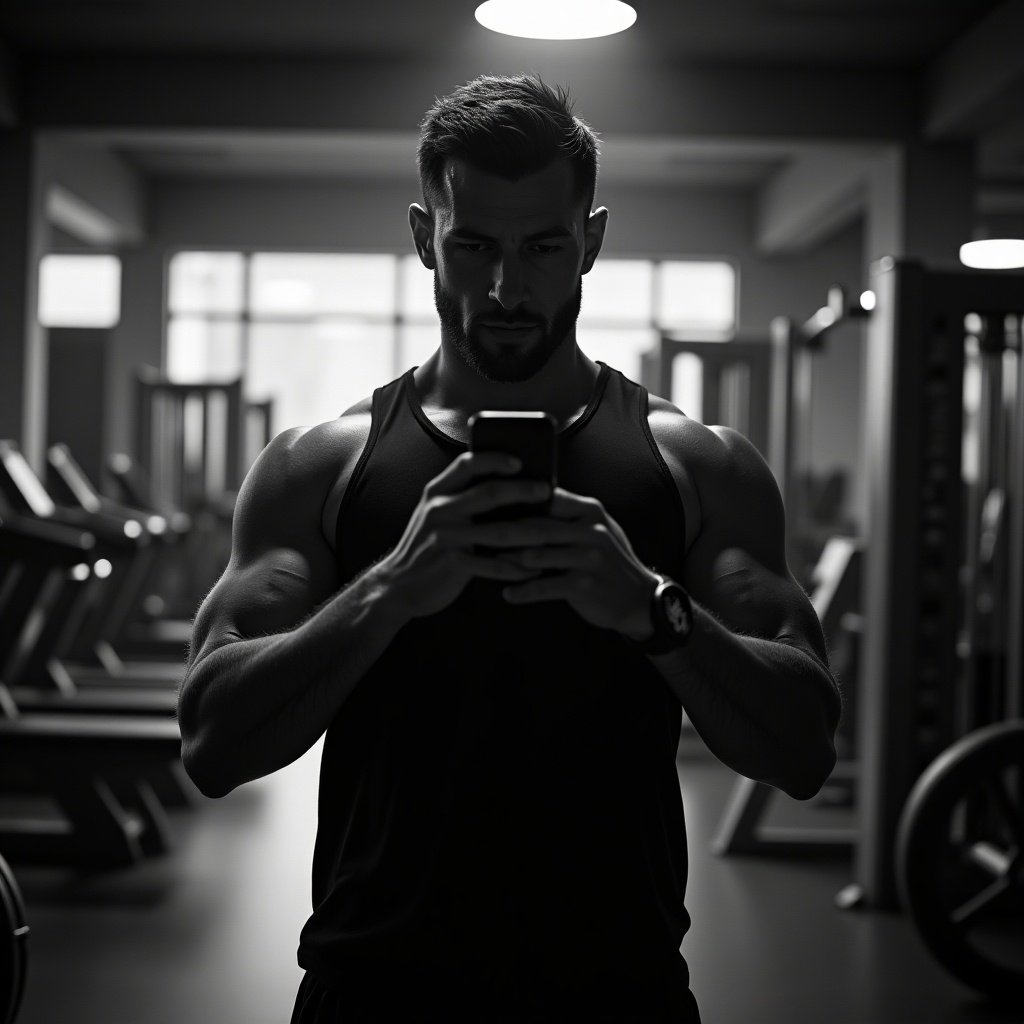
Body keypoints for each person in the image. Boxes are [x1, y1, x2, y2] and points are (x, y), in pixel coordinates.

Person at [177, 73, 841, 1022]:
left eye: (542, 248)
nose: (505, 287)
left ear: (592, 244)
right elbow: (211, 741)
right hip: (375, 988)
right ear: (423, 240)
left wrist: (651, 609)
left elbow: (806, 747)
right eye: (474, 244)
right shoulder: (321, 468)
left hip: (620, 989)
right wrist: (391, 591)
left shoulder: (696, 466)